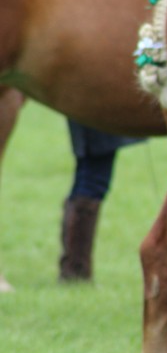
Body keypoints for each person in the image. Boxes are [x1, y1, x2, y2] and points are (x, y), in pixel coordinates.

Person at [59, 120, 143, 281]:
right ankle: (75, 269)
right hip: (96, 119)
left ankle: (75, 268)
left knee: (89, 177)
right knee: (92, 179)